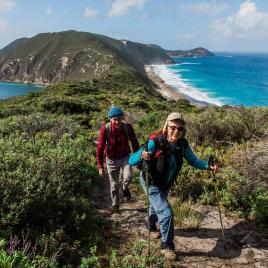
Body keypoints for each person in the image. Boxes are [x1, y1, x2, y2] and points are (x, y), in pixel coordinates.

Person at [128, 112, 217, 259]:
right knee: (166, 213)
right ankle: (167, 245)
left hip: (165, 184)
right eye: (173, 127)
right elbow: (131, 160)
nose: (176, 131)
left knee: (156, 209)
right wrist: (141, 156)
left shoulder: (182, 145)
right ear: (166, 126)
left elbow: (193, 161)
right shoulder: (154, 142)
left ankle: (149, 226)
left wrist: (208, 167)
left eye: (180, 128)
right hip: (151, 182)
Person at [96, 106, 139, 213]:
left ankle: (125, 189)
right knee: (114, 184)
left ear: (122, 118)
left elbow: (134, 142)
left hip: (125, 156)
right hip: (111, 159)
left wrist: (138, 157)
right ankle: (115, 205)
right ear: (110, 119)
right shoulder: (106, 129)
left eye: (119, 118)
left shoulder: (127, 126)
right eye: (114, 119)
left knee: (128, 177)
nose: (117, 121)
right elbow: (100, 148)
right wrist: (100, 166)